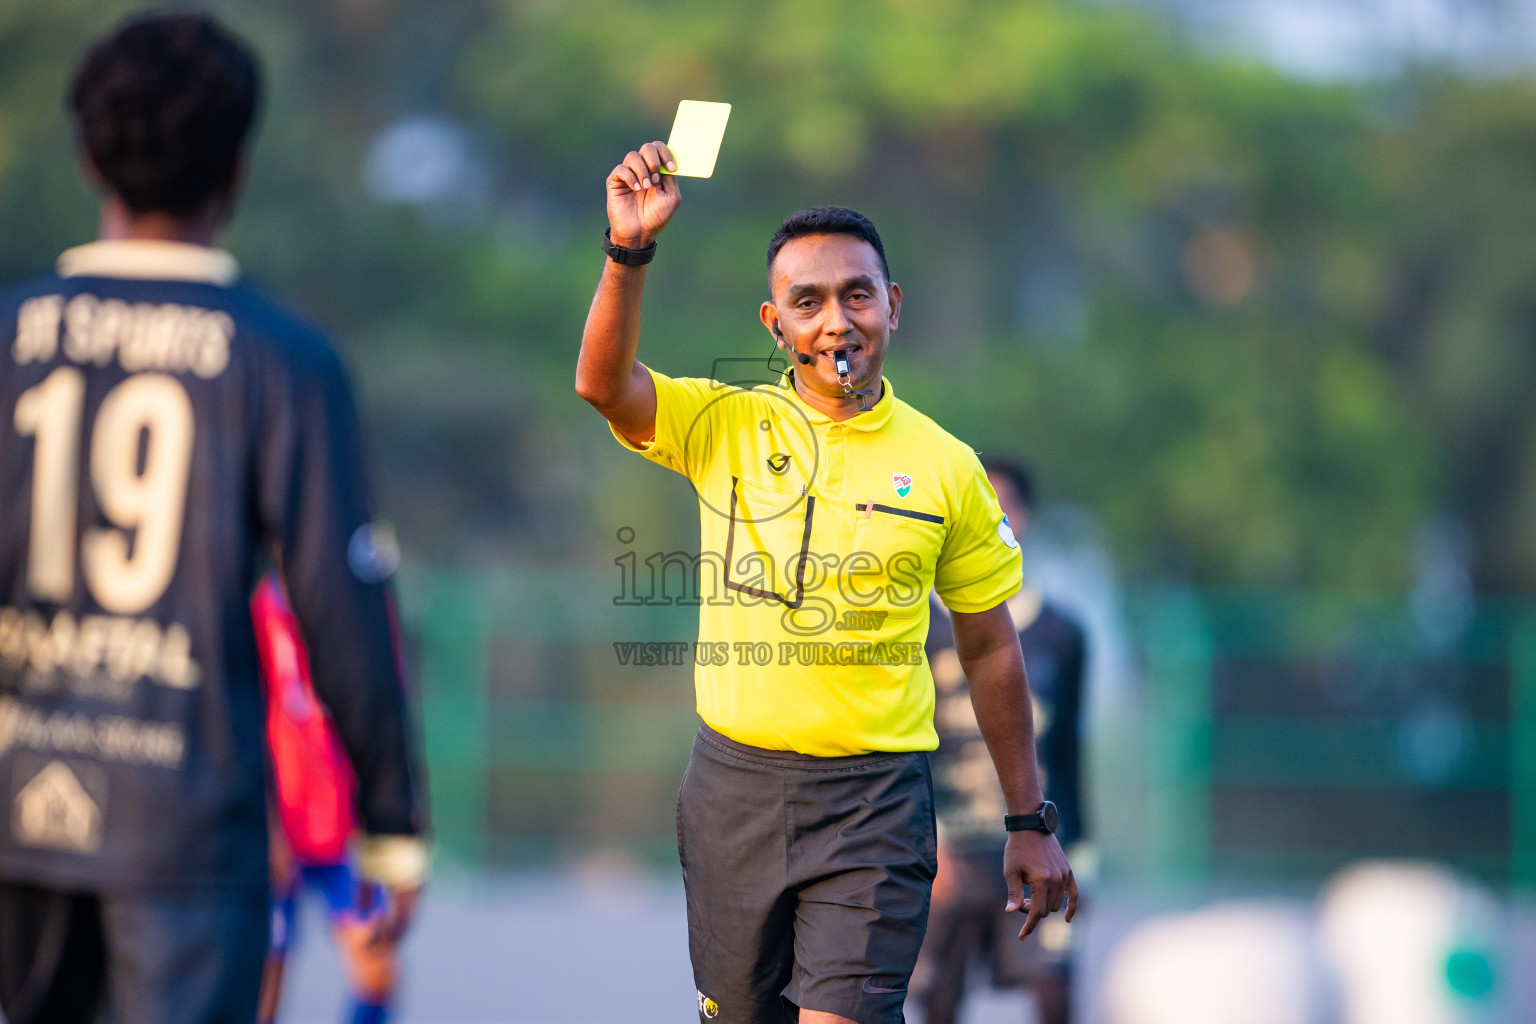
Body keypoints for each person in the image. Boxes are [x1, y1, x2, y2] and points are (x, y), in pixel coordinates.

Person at [575, 141, 1076, 1024]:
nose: (835, 320)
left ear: (893, 305)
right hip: (732, 792)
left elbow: (992, 647)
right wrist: (629, 250)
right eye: (807, 302)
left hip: (873, 809)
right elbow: (602, 384)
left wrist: (1026, 819)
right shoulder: (722, 424)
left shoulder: (947, 466)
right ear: (776, 325)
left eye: (856, 294)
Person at [0, 14, 426, 1024]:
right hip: (186, 824)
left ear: (90, 158)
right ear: (235, 172)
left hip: (16, 812)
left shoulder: (10, 333)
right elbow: (339, 601)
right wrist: (392, 824)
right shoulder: (283, 360)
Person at [914, 460, 1087, 1024]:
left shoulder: (1062, 633)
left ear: (1027, 518)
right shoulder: (917, 626)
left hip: (1032, 840)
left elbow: (1067, 754)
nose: (994, 517)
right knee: (936, 998)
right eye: (979, 504)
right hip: (949, 850)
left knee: (1052, 992)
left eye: (1006, 505)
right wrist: (921, 843)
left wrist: (1080, 848)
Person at [252, 574, 406, 1024]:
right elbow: (239, 719)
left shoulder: (366, 608)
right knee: (267, 981)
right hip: (283, 821)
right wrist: (266, 822)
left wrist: (389, 821)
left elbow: (386, 718)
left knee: (378, 971)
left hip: (344, 824)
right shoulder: (262, 608)